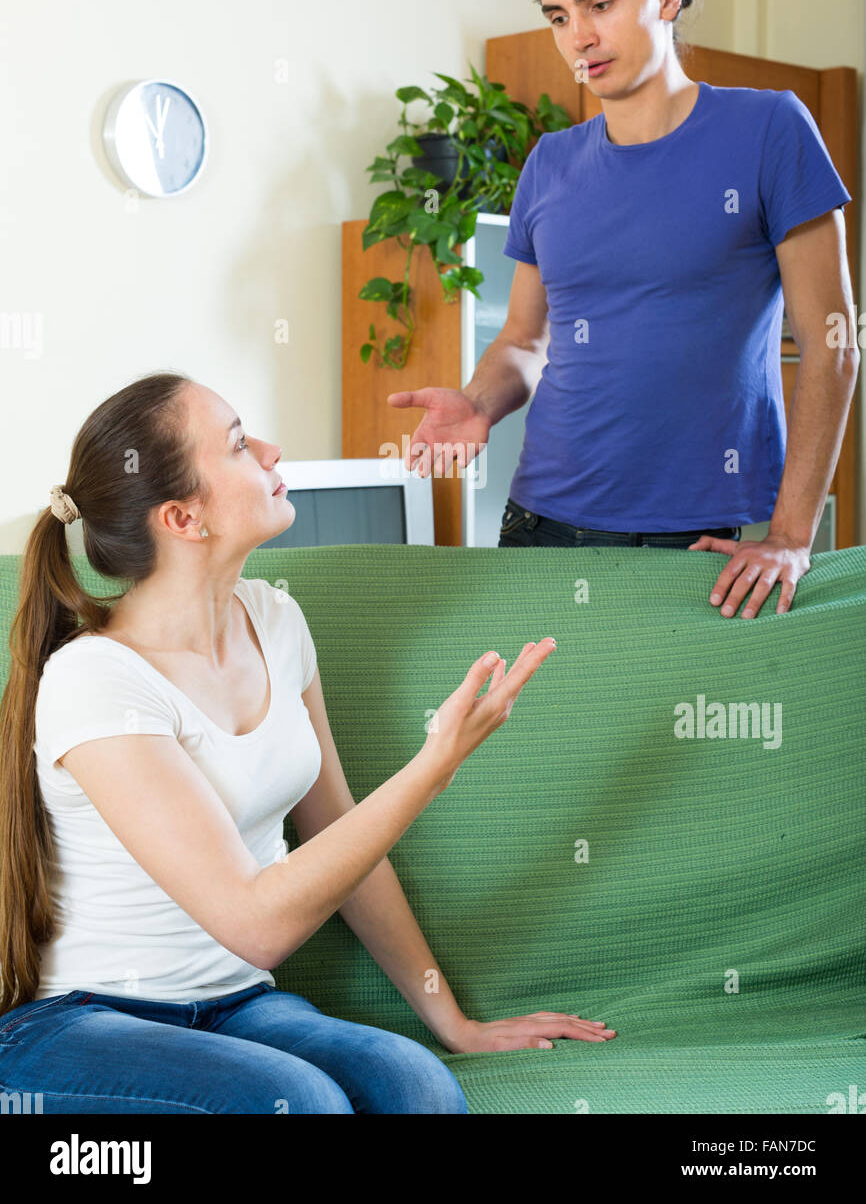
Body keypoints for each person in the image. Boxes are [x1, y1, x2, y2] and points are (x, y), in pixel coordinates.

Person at [0, 372, 616, 1115]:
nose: (270, 448)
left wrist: (449, 1020)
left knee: (419, 1089)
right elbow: (256, 924)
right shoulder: (96, 679)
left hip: (236, 1007)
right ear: (183, 517)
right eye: (237, 444)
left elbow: (338, 834)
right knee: (300, 1104)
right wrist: (434, 766)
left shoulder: (276, 620)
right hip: (84, 1021)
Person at [389, 0, 859, 621]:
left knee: (682, 734)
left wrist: (793, 536)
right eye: (557, 16)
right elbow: (524, 340)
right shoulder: (550, 163)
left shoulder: (769, 130)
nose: (578, 37)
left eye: (600, 4)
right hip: (539, 524)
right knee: (536, 732)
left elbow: (834, 345)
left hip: (701, 545)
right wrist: (478, 402)